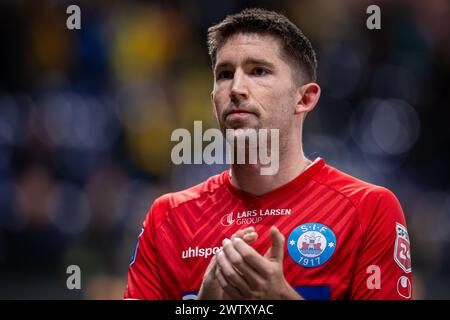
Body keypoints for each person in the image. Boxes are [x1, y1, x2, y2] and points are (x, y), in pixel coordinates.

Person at [123, 8, 412, 300]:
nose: (236, 88)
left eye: (258, 71)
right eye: (224, 74)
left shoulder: (368, 210)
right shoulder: (168, 219)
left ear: (304, 98)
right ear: (213, 103)